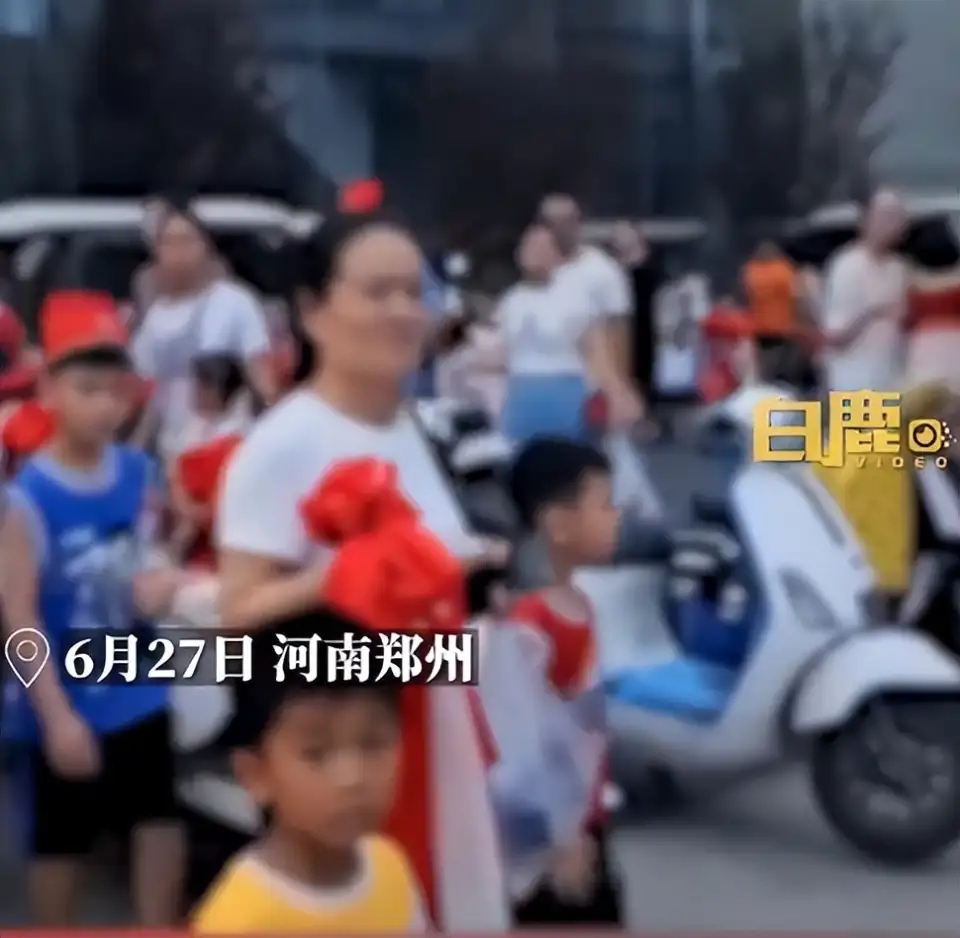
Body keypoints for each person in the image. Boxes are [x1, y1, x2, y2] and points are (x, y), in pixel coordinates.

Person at [215, 212, 509, 930]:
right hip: (353, 737)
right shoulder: (282, 445)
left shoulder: (413, 426)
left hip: (438, 716)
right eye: (377, 292)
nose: (404, 312)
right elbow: (238, 615)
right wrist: (343, 577)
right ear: (313, 311)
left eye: (414, 291)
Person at [0, 291, 184, 926]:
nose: (106, 406)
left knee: (159, 817)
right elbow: (19, 617)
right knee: (62, 842)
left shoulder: (137, 471)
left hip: (140, 682)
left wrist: (162, 576)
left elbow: (153, 549)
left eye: (116, 391)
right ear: (49, 391)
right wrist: (55, 718)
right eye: (87, 390)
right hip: (66, 696)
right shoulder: (27, 498)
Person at [192, 608, 428, 934]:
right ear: (255, 774)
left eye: (373, 744)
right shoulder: (239, 920)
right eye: (316, 753)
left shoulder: (391, 866)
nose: (352, 777)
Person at [502, 436, 622, 925]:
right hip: (555, 842)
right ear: (559, 523)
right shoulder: (528, 624)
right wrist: (558, 839)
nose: (616, 516)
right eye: (605, 504)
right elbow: (520, 749)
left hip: (588, 818)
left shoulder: (582, 604)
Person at [131, 199, 276, 456]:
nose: (179, 252)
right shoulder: (156, 317)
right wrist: (136, 448)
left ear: (205, 246)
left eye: (186, 241)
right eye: (169, 243)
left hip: (227, 448)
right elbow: (153, 396)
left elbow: (261, 376)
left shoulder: (234, 301)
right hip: (173, 450)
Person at [498, 223, 632, 444]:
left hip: (565, 390)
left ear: (557, 255)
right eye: (529, 246)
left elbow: (596, 348)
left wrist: (616, 392)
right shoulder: (511, 300)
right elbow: (502, 351)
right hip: (521, 391)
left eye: (542, 247)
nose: (534, 253)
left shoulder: (575, 297)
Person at [538, 194, 643, 428]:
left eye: (565, 221)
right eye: (550, 223)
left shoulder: (602, 270)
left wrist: (620, 386)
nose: (558, 230)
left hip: (593, 388)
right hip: (550, 385)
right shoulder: (539, 271)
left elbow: (619, 331)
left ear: (577, 223)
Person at [821, 188, 909, 391]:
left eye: (898, 217)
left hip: (892, 380)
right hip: (853, 382)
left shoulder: (899, 269)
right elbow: (835, 336)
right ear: (865, 220)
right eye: (885, 216)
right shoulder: (847, 265)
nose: (894, 224)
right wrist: (874, 312)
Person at [611, 221, 663, 433]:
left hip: (645, 338)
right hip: (619, 338)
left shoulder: (649, 275)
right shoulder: (610, 276)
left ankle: (644, 417)